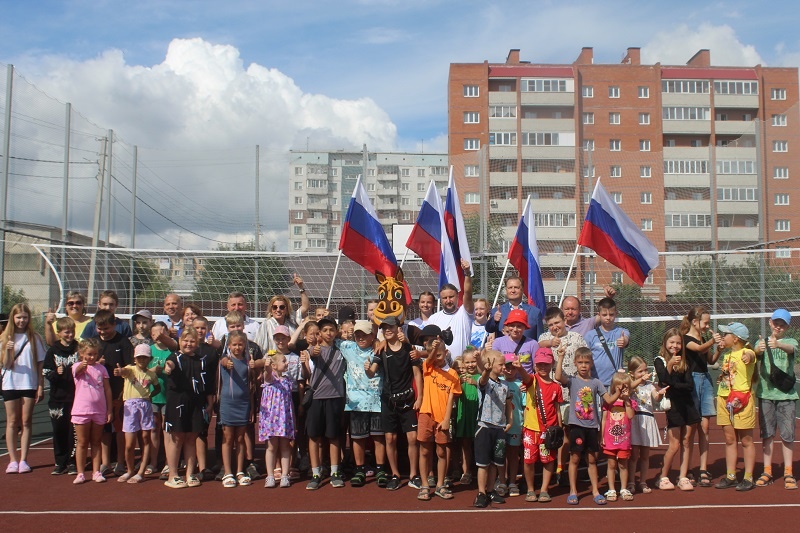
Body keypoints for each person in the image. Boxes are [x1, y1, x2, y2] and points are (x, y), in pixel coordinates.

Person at [555, 346, 621, 505]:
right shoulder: (572, 380)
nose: (583, 365)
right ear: (575, 364)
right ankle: (573, 491)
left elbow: (609, 400)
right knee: (575, 459)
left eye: (586, 362)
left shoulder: (596, 382)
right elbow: (558, 376)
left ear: (591, 363)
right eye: (580, 362)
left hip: (592, 427)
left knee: (592, 460)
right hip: (576, 426)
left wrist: (619, 392)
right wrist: (561, 357)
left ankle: (595, 490)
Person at [538, 307, 587, 481]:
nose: (554, 327)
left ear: (564, 321)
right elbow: (538, 345)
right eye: (550, 324)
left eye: (557, 323)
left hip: (572, 393)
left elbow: (586, 359)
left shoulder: (576, 338)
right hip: (551, 395)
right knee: (554, 432)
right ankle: (553, 467)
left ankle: (562, 467)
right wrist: (551, 342)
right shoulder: (545, 338)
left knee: (568, 433)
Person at [374, 316, 423, 490]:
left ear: (398, 328)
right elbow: (371, 372)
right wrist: (368, 368)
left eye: (391, 327)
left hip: (408, 399)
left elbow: (417, 374)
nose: (388, 330)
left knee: (412, 438)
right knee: (390, 438)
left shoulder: (409, 349)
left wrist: (419, 398)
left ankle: (413, 475)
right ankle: (394, 474)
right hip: (388, 400)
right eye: (384, 327)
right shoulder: (381, 349)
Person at [163, 327, 215, 489]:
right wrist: (168, 367)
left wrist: (210, 403)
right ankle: (173, 474)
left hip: (196, 403)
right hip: (177, 402)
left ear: (197, 342)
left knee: (192, 438)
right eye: (185, 340)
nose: (189, 344)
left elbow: (207, 385)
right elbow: (169, 363)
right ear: (179, 342)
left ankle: (190, 473)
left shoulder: (201, 361)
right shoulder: (175, 357)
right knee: (177, 438)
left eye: (192, 341)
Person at [416, 324, 462, 501]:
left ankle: (441, 484)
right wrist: (432, 350)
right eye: (435, 355)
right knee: (425, 451)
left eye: (441, 355)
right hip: (426, 414)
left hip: (442, 418)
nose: (438, 358)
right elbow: (428, 360)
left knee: (441, 453)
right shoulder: (428, 368)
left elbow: (452, 398)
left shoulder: (453, 374)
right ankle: (425, 484)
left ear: (446, 352)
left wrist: (446, 419)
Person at [299, 317, 346, 490]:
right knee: (314, 436)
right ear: (319, 333)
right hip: (317, 397)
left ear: (336, 331)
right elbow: (304, 351)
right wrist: (311, 350)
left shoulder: (342, 348)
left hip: (335, 397)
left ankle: (334, 472)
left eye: (331, 330)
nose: (328, 333)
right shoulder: (314, 349)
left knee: (333, 436)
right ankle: (316, 473)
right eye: (324, 330)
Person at [753, 309, 798, 490]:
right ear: (771, 323)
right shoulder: (761, 342)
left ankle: (788, 471)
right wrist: (758, 349)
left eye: (783, 325)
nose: (778, 327)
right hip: (766, 394)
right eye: (776, 323)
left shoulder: (790, 341)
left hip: (786, 395)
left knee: (787, 434)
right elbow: (754, 354)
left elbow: (792, 349)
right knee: (767, 434)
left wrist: (777, 345)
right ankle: (767, 470)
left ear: (787, 326)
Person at [2, 303, 46, 474]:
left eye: (25, 317)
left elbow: (40, 364)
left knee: (26, 421)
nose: (21, 320)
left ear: (29, 319)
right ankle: (12, 460)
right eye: (18, 317)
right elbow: (5, 364)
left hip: (29, 383)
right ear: (13, 318)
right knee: (12, 421)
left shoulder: (35, 338)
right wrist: (7, 350)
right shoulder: (5, 338)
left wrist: (40, 386)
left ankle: (23, 460)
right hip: (10, 384)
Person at [713, 322, 757, 491]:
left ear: (736, 338)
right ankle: (731, 475)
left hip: (741, 400)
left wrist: (749, 357)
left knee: (746, 440)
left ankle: (748, 477)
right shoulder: (727, 355)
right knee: (730, 439)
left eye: (726, 335)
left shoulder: (746, 352)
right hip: (725, 399)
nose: (723, 337)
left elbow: (752, 356)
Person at [679, 305, 718, 488]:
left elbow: (710, 360)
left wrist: (720, 348)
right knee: (690, 430)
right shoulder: (686, 338)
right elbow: (700, 348)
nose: (708, 326)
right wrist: (712, 341)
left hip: (706, 380)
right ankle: (686, 469)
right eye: (706, 323)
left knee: (705, 427)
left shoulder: (703, 338)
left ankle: (703, 468)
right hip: (692, 381)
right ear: (695, 322)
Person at [516, 347, 561, 503]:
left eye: (546, 364)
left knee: (548, 460)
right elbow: (524, 376)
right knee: (528, 460)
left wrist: (559, 429)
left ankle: (544, 489)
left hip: (548, 431)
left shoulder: (556, 386)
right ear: (535, 365)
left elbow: (557, 409)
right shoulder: (532, 380)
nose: (543, 367)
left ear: (552, 364)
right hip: (531, 429)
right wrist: (519, 367)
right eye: (540, 364)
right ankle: (530, 489)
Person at [657, 329, 700, 492]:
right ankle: (663, 476)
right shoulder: (660, 360)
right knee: (674, 444)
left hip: (688, 404)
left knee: (687, 441)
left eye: (677, 343)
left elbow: (689, 385)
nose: (674, 346)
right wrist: (669, 365)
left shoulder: (685, 361)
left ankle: (683, 476)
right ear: (665, 343)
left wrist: (674, 385)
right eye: (671, 342)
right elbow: (664, 381)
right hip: (674, 405)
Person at [345, 320, 387, 488]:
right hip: (355, 402)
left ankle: (381, 469)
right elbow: (326, 338)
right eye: (358, 335)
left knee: (378, 436)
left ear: (372, 336)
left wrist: (382, 341)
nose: (361, 338)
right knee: (358, 437)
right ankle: (360, 469)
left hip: (376, 400)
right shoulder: (346, 347)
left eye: (364, 335)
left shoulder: (380, 349)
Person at [93, 309, 134, 477]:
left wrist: (122, 371)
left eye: (106, 328)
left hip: (118, 392)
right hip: (98, 393)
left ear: (114, 325)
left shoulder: (123, 342)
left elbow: (132, 366)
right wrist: (95, 363)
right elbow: (86, 362)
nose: (103, 332)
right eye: (100, 329)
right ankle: (105, 462)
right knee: (104, 429)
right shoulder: (94, 342)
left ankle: (120, 462)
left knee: (118, 428)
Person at [115, 343, 160, 483]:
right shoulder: (130, 369)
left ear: (149, 359)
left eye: (145, 358)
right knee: (129, 443)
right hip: (130, 406)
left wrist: (150, 396)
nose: (142, 360)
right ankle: (130, 470)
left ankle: (141, 472)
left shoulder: (151, 374)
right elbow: (123, 372)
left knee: (146, 438)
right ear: (135, 358)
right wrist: (119, 371)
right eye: (139, 357)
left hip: (145, 405)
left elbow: (157, 388)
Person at [472, 350, 512, 508]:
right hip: (484, 427)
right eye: (501, 364)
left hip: (499, 428)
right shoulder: (485, 382)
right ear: (491, 365)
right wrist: (485, 369)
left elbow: (508, 404)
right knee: (483, 463)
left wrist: (510, 420)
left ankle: (490, 490)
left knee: (495, 463)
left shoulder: (505, 385)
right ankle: (481, 493)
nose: (504, 367)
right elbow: (483, 377)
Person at [70, 338, 112, 484]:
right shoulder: (77, 366)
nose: (92, 357)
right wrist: (83, 364)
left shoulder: (102, 369)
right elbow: (78, 371)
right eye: (88, 354)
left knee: (96, 441)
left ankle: (96, 471)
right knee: (82, 442)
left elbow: (107, 389)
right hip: (81, 410)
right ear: (81, 353)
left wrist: (109, 410)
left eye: (94, 354)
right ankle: (80, 473)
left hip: (99, 410)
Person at [43, 316, 80, 475]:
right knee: (59, 430)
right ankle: (60, 462)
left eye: (72, 332)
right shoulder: (53, 350)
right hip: (57, 398)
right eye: (66, 332)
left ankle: (72, 461)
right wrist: (56, 374)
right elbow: (46, 371)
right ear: (59, 333)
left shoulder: (78, 348)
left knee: (73, 432)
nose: (70, 335)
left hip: (76, 397)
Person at [219, 330, 255, 488]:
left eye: (240, 344)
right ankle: (228, 472)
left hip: (243, 403)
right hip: (228, 403)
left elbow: (252, 384)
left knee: (240, 439)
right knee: (228, 438)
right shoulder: (226, 360)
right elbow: (222, 362)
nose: (237, 347)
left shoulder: (248, 362)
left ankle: (240, 471)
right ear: (229, 345)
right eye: (234, 344)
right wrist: (226, 362)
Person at [627, 356, 665, 494]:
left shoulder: (649, 385)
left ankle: (643, 481)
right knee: (633, 455)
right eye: (640, 372)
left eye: (645, 370)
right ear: (631, 373)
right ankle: (631, 481)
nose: (644, 374)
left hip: (648, 420)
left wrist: (660, 394)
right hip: (635, 421)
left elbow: (656, 397)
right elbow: (629, 389)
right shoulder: (631, 385)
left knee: (644, 455)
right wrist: (638, 381)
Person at [425, 259, 474, 366]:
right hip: (441, 368)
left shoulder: (464, 313)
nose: (448, 300)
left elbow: (468, 293)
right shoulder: (433, 319)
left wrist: (467, 273)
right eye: (444, 298)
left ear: (457, 297)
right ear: (440, 299)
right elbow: (427, 345)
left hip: (463, 368)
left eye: (451, 297)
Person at [259, 350, 296, 488]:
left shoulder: (287, 380)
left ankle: (285, 475)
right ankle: (270, 475)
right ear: (274, 366)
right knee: (271, 446)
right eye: (283, 361)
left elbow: (290, 402)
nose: (286, 363)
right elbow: (267, 373)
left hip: (284, 418)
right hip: (271, 419)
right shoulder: (270, 378)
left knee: (285, 446)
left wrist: (293, 419)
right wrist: (267, 365)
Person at [601, 372, 636, 502]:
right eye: (620, 388)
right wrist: (602, 436)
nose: (623, 391)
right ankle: (611, 489)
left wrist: (626, 400)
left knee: (623, 465)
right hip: (610, 440)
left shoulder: (630, 402)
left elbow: (631, 416)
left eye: (626, 388)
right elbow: (604, 420)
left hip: (624, 441)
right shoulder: (608, 402)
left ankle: (623, 488)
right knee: (611, 464)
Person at [253, 274, 309, 352]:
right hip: (272, 359)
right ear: (271, 310)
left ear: (286, 309)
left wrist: (301, 287)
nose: (278, 310)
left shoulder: (291, 321)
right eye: (275, 307)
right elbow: (259, 348)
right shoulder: (266, 325)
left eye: (282, 307)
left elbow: (305, 307)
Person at [582, 298, 629, 388]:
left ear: (616, 314)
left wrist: (624, 341)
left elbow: (626, 338)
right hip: (595, 382)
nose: (608, 318)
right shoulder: (590, 335)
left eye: (611, 314)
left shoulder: (621, 332)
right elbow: (585, 357)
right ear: (599, 315)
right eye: (604, 315)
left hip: (615, 383)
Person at [146, 321, 171, 476]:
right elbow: (141, 372)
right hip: (153, 396)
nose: (159, 336)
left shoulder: (171, 351)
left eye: (162, 333)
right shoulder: (149, 350)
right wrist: (152, 371)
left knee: (167, 430)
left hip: (168, 396)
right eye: (155, 333)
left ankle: (169, 463)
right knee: (154, 429)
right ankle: (153, 462)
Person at [486, 276, 543, 341]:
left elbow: (540, 338)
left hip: (528, 350)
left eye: (516, 287)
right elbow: (489, 329)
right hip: (503, 350)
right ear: (506, 290)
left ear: (522, 290)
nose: (513, 291)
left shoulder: (535, 312)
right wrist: (494, 320)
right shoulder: (496, 311)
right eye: (510, 288)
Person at [454, 347, 480, 487]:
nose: (471, 365)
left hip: (478, 414)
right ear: (463, 363)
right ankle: (466, 471)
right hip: (464, 414)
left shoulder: (481, 377)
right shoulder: (460, 378)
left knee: (480, 444)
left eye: (473, 361)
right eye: (468, 362)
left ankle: (483, 471)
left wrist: (475, 383)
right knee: (465, 445)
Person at [491, 309, 538, 375]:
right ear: (507, 326)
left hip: (526, 382)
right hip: (505, 382)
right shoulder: (498, 342)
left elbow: (536, 367)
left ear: (525, 327)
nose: (515, 329)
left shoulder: (533, 344)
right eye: (512, 325)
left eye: (519, 326)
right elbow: (495, 364)